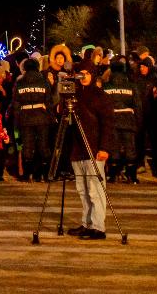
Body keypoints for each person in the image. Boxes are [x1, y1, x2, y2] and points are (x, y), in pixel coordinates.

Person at [66, 58, 115, 241]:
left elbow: (108, 124)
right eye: (81, 73)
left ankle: (98, 227)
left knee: (95, 189)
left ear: (93, 75)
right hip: (77, 148)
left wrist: (105, 148)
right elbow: (63, 114)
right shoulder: (74, 94)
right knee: (83, 190)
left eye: (87, 73)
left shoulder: (101, 96)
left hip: (94, 148)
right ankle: (87, 223)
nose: (84, 77)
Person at [13, 56, 53, 181]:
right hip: (42, 117)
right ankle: (45, 175)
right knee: (44, 146)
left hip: (25, 117)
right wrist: (51, 117)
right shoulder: (44, 81)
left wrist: (17, 120)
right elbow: (49, 101)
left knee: (27, 146)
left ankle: (27, 175)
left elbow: (16, 103)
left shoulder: (20, 82)